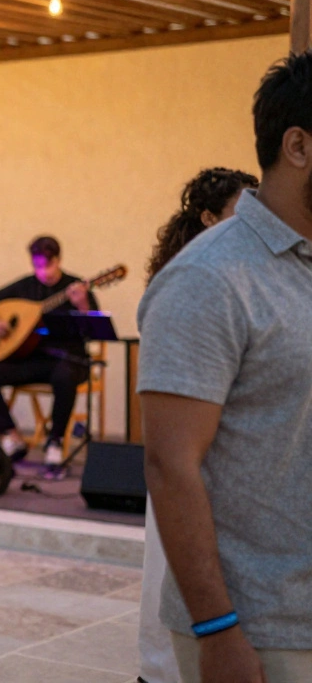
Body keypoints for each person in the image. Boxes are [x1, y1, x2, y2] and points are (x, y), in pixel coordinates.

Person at [140, 52, 312, 683]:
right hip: (263, 632)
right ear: (297, 145)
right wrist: (218, 630)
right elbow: (169, 462)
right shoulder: (208, 278)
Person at [138, 167, 256, 683]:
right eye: (240, 210)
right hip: (188, 457)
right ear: (209, 218)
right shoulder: (188, 286)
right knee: (167, 575)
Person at [0, 236, 98, 471]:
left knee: (64, 377)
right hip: (31, 360)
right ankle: (11, 435)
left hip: (68, 361)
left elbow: (94, 329)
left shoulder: (76, 287)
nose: (42, 272)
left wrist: (82, 305)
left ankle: (55, 441)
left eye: (47, 266)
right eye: (37, 266)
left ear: (59, 260)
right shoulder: (26, 286)